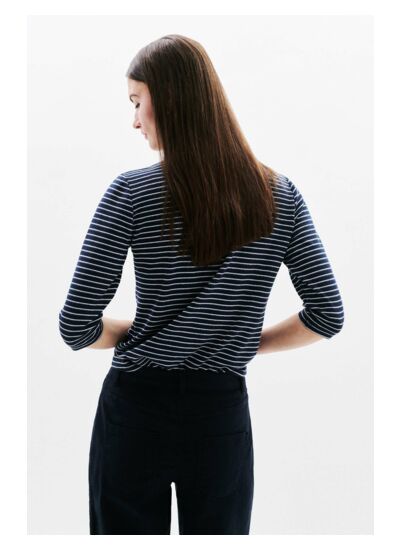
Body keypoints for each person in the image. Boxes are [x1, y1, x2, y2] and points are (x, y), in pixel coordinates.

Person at [58, 34, 344, 535]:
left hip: (135, 408)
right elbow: (326, 316)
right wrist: (236, 342)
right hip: (220, 412)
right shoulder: (279, 196)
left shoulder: (130, 193)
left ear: (167, 99)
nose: (134, 120)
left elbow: (76, 328)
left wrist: (137, 332)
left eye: (136, 102)